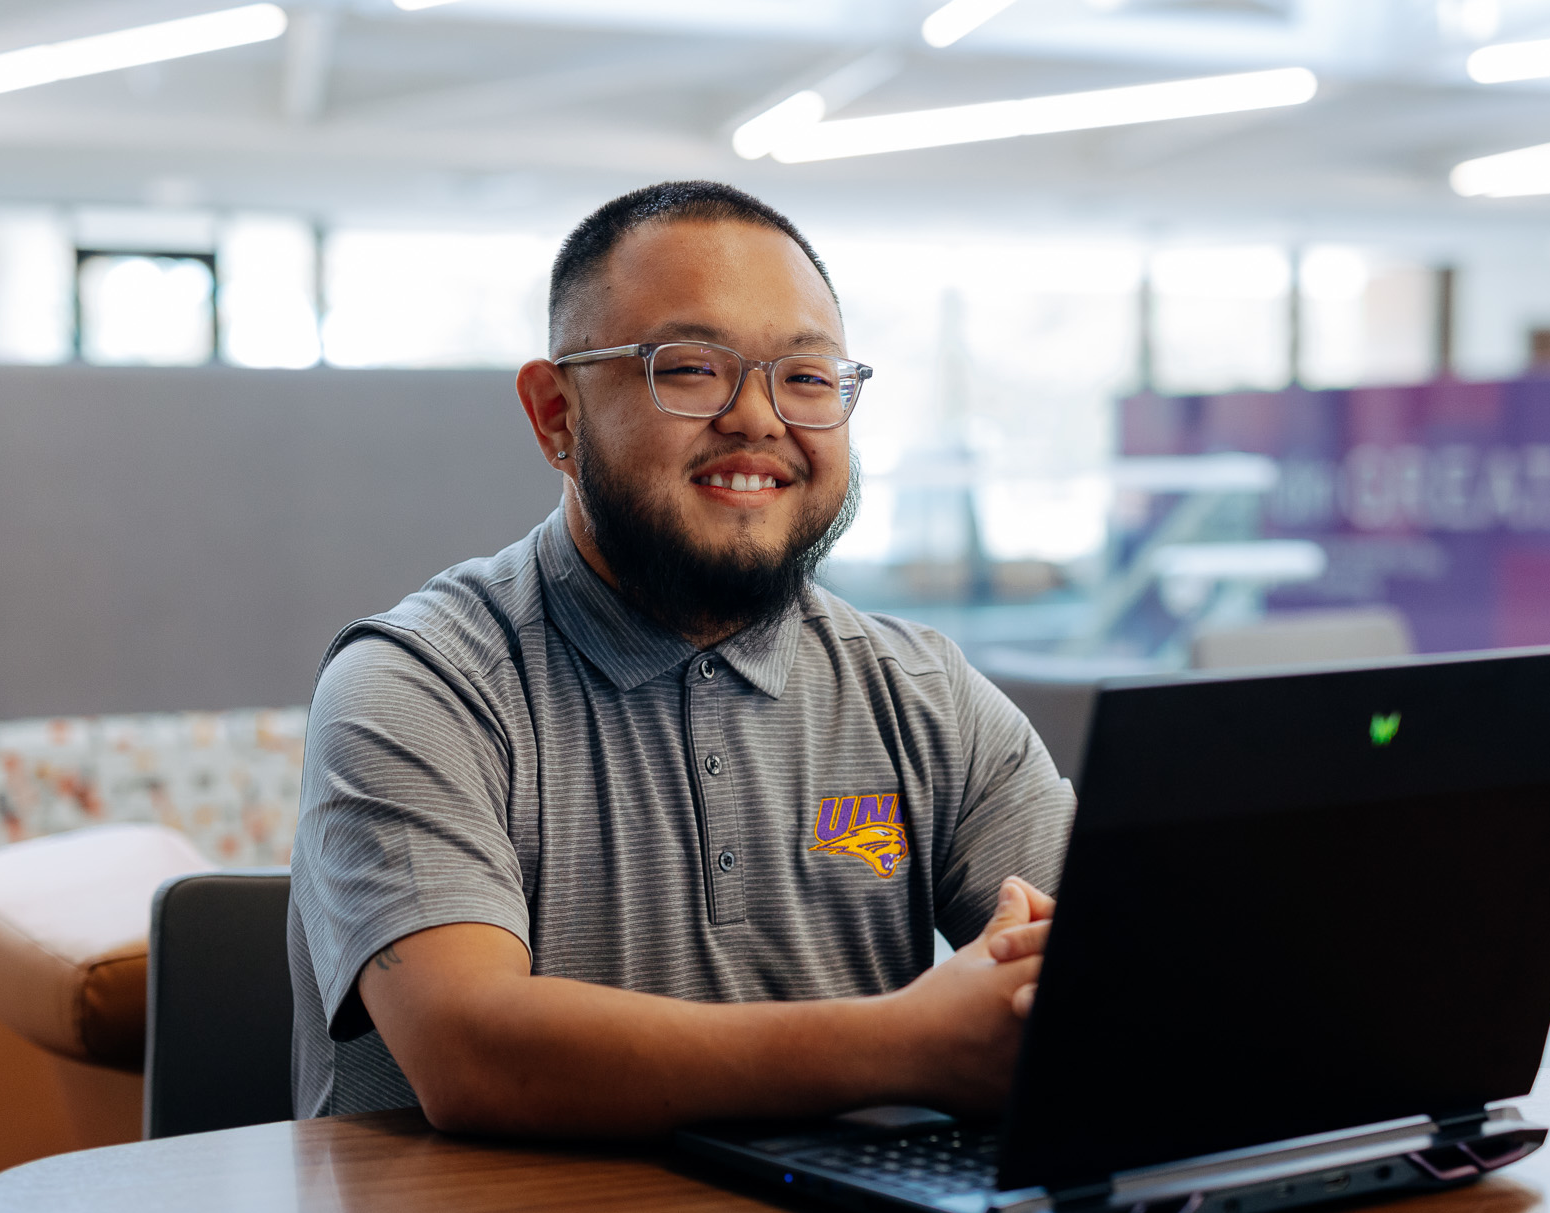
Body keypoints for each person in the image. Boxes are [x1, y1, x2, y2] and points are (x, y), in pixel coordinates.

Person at [289, 180, 1075, 1136]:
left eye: (808, 376)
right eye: (692, 368)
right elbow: (473, 1050)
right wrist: (904, 1045)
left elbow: (1113, 967)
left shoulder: (923, 694)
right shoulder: (420, 685)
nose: (760, 419)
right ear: (556, 416)